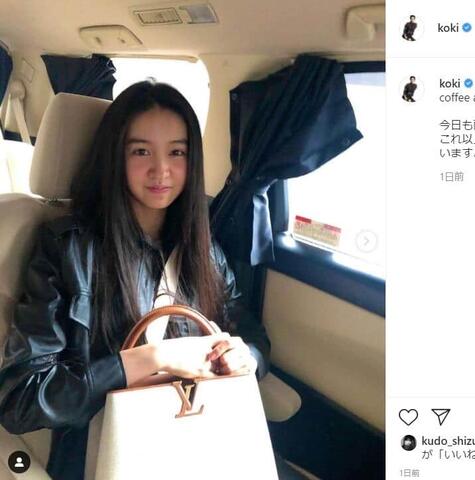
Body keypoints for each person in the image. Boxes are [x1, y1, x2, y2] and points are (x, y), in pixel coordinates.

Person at [0, 81, 300, 479]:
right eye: (141, 151)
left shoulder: (202, 247)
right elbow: (22, 399)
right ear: (115, 157)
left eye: (177, 152)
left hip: (200, 438)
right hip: (110, 452)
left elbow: (244, 326)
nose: (162, 170)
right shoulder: (67, 248)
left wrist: (248, 356)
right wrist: (150, 360)